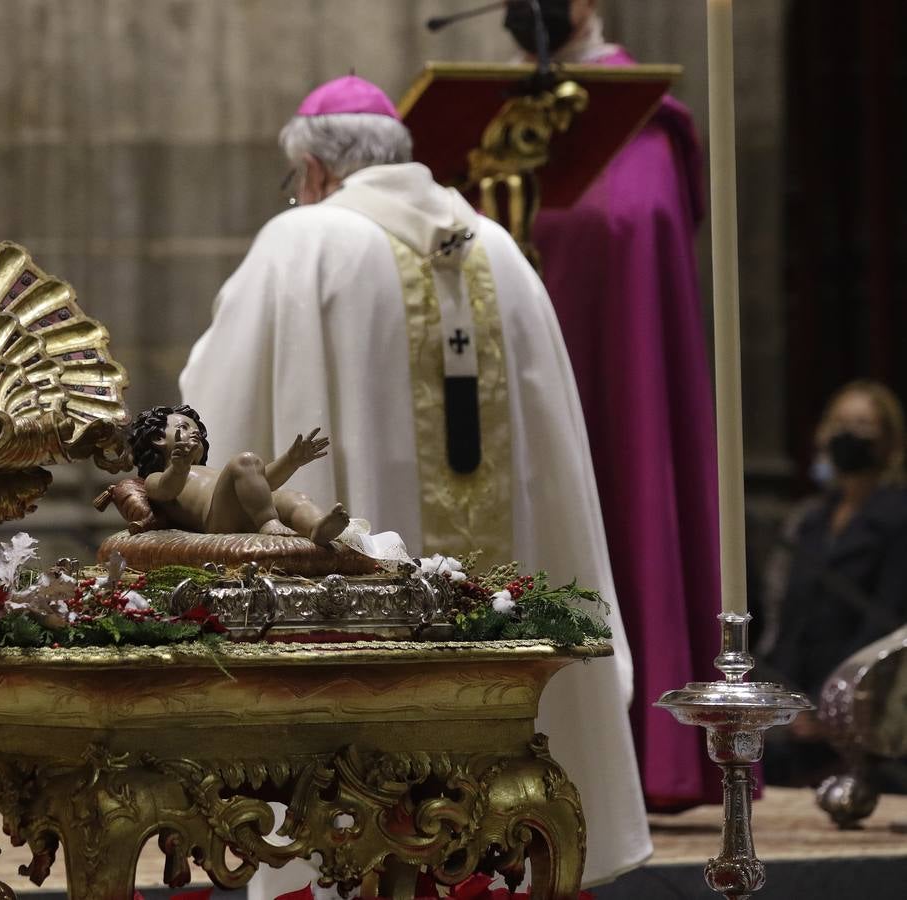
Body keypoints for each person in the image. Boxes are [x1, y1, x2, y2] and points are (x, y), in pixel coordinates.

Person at [179, 75, 649, 893]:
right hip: (503, 599)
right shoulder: (494, 246)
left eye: (295, 181)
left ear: (315, 169)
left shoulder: (306, 240)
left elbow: (214, 407)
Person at [506, 0, 724, 811]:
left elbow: (632, 226)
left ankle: (651, 756)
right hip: (516, 392)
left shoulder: (646, 121)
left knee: (630, 506)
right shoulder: (492, 114)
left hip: (614, 382)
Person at [761, 381, 907, 785]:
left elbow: (885, 618)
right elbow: (789, 616)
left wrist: (833, 702)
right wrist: (787, 700)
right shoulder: (811, 518)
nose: (848, 434)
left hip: (862, 699)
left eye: (863, 424)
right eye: (841, 422)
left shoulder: (898, 516)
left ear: (889, 440)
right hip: (796, 700)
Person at [128, 404, 348, 542]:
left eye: (198, 432)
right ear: (157, 438)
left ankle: (317, 526)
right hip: (219, 520)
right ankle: (268, 522)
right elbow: (167, 490)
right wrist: (178, 468)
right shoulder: (156, 477)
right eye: (185, 428)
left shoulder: (209, 472)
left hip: (246, 510)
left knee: (290, 497)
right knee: (245, 461)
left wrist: (291, 461)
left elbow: (262, 483)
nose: (194, 434)